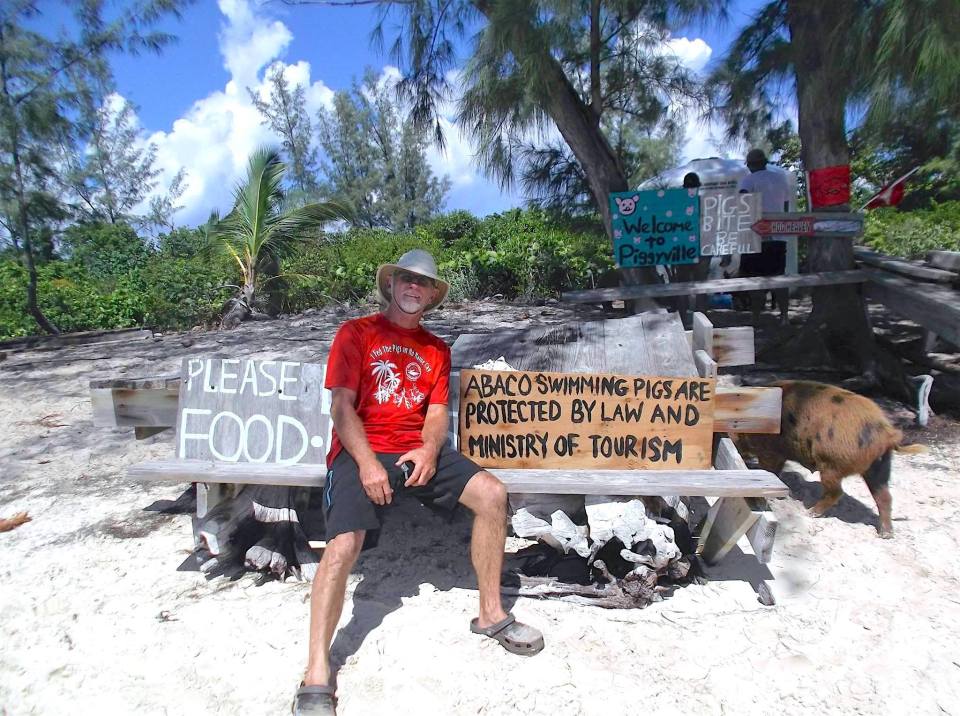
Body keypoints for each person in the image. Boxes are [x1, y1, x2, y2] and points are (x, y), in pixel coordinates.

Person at [292, 249, 545, 716]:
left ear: (431, 296)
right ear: (392, 285)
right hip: (359, 449)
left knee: (493, 493)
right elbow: (342, 409)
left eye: (422, 284)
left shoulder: (436, 349)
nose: (413, 287)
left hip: (414, 451)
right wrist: (367, 464)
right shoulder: (356, 333)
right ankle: (316, 671)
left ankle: (490, 614)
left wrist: (430, 450)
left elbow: (435, 414)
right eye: (406, 279)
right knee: (345, 541)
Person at [738, 148, 791, 325]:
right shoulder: (780, 179)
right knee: (779, 277)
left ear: (751, 165)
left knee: (755, 280)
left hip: (756, 236)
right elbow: (784, 208)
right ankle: (784, 316)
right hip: (778, 236)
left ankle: (756, 318)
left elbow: (744, 205)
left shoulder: (749, 180)